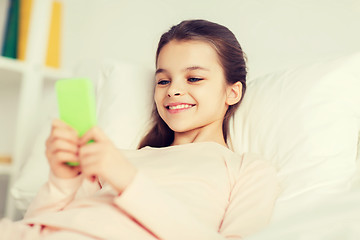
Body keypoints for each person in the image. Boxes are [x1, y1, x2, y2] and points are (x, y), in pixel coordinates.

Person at [0, 19, 280, 239]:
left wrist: (127, 180)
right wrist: (61, 181)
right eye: (163, 81)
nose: (174, 90)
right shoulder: (116, 159)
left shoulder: (248, 169)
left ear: (232, 92)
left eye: (194, 78)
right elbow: (38, 225)